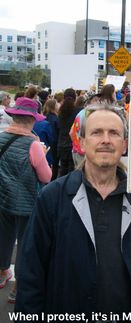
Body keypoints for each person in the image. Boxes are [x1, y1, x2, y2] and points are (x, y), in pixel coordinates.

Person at [15, 104, 131, 322]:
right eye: (97, 132)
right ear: (83, 142)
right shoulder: (52, 199)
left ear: (124, 144)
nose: (105, 139)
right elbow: (31, 272)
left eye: (113, 133)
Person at [0, 97, 52, 303]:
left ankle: (2, 273)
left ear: (13, 116)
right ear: (32, 120)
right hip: (26, 203)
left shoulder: (0, 138)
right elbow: (46, 177)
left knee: (3, 238)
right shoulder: (34, 144)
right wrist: (44, 154)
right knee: (25, 244)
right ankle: (18, 288)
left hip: (2, 199)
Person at [57, 88, 81, 176]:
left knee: (63, 170)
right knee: (71, 171)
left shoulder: (60, 112)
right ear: (75, 98)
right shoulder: (78, 112)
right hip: (72, 145)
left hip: (61, 145)